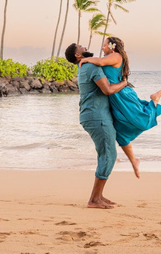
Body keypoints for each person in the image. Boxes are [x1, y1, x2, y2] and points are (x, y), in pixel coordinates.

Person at [79, 37, 161, 179]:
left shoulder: (116, 56)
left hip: (122, 95)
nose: (102, 48)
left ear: (111, 47)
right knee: (120, 132)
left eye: (104, 45)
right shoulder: (109, 57)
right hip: (114, 97)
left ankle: (154, 101)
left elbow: (100, 62)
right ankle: (134, 161)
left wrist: (86, 59)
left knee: (140, 120)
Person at [65, 43, 128, 209]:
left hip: (93, 115)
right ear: (78, 55)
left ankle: (98, 196)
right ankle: (94, 199)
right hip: (96, 116)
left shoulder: (85, 67)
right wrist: (124, 83)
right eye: (81, 47)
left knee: (105, 153)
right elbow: (107, 90)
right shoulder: (91, 66)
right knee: (109, 154)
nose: (85, 47)